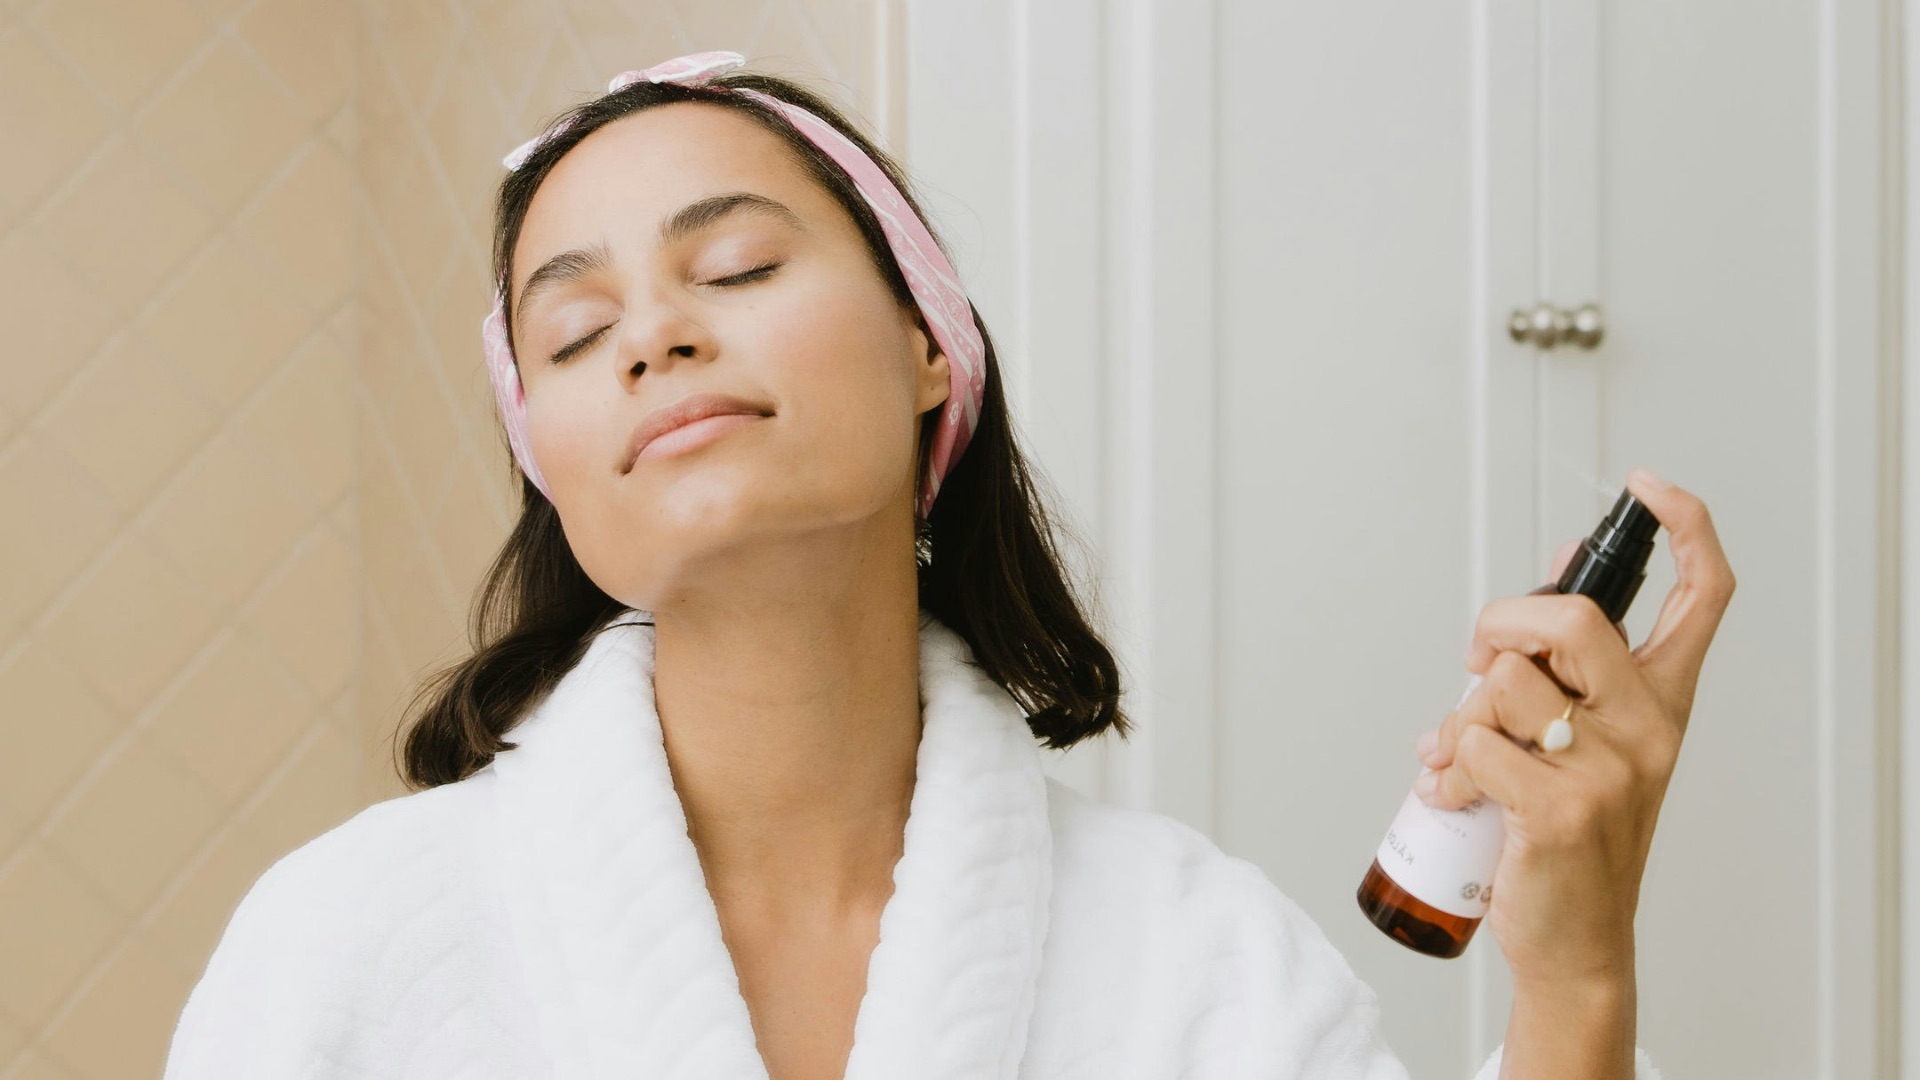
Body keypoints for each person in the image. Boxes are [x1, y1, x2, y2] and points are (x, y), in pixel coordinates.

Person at [163, 51, 1733, 1080]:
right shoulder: (347, 945)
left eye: (739, 266)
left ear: (932, 348)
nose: (653, 332)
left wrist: (1577, 986)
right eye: (572, 334)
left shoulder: (1201, 960)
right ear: (553, 478)